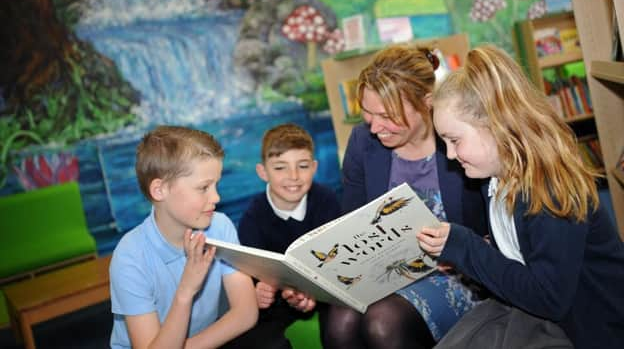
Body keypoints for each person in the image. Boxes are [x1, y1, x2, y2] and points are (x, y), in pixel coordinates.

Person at [420, 44, 624, 348]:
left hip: (592, 330)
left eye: (454, 140)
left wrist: (468, 248)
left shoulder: (550, 189)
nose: (449, 155)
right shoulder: (492, 180)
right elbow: (524, 253)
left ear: (496, 125)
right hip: (546, 321)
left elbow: (548, 298)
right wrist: (473, 252)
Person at [316, 44, 489, 349]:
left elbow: (496, 227)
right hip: (386, 275)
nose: (375, 127)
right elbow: (352, 225)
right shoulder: (362, 143)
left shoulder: (460, 141)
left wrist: (467, 248)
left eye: (387, 116)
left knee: (383, 322)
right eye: (367, 113)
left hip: (459, 275)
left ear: (426, 102)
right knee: (339, 318)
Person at [109, 125, 258, 348]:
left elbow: (246, 313)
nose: (216, 197)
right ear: (159, 190)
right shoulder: (130, 257)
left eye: (216, 185)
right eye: (203, 187)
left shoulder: (220, 226)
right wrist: (186, 291)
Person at [224, 123, 342, 349]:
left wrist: (312, 293)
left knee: (339, 327)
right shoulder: (253, 217)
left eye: (303, 166)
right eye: (280, 168)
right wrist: (257, 291)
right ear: (263, 172)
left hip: (325, 296)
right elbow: (252, 276)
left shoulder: (327, 201)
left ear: (315, 167)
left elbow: (338, 260)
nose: (294, 176)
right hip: (278, 306)